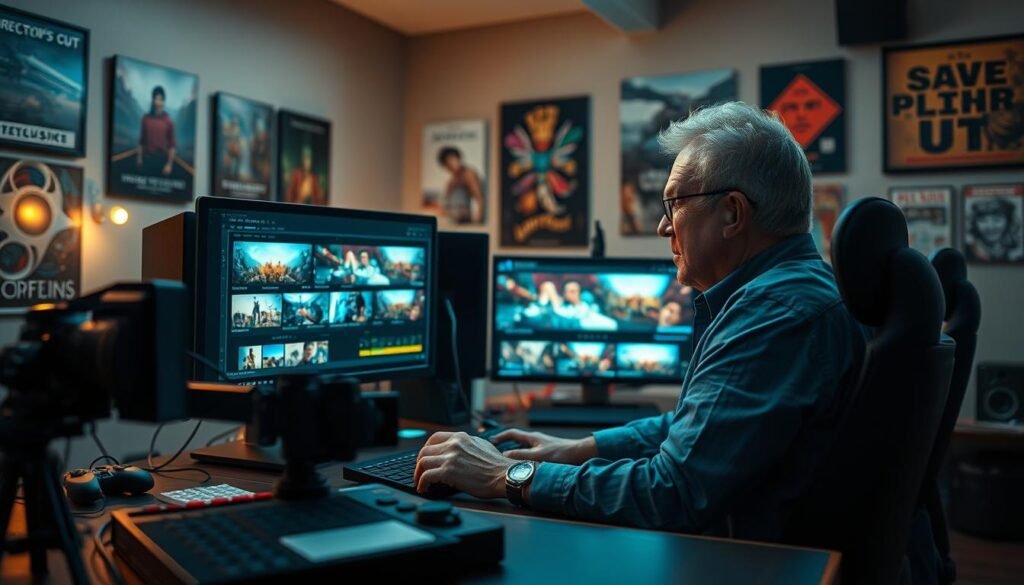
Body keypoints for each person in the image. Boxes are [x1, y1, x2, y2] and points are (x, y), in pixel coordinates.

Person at [413, 102, 868, 541]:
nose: (663, 227)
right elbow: (700, 426)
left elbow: (671, 493)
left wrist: (504, 474)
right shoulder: (789, 291)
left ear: (732, 212)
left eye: (675, 204)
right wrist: (578, 449)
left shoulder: (776, 315)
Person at [136, 86, 177, 177]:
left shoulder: (168, 121)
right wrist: (139, 159)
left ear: (163, 102)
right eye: (155, 99)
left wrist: (169, 165)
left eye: (160, 100)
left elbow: (172, 145)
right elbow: (141, 141)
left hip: (161, 161)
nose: (157, 102)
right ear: (153, 100)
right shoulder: (146, 119)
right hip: (147, 160)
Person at [438, 146, 484, 224]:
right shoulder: (452, 181)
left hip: (465, 220)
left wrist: (476, 220)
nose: (451, 164)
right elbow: (445, 200)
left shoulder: (468, 174)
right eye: (447, 163)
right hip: (453, 220)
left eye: (452, 159)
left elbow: (478, 198)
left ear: (458, 158)